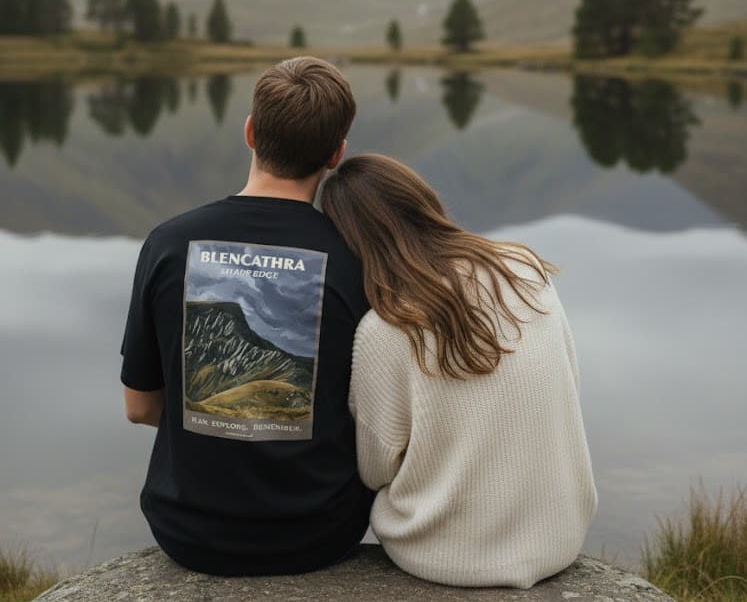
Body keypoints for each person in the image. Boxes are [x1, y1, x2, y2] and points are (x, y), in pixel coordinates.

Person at [120, 57, 373, 576]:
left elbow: (140, 408)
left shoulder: (168, 243)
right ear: (336, 154)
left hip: (186, 534)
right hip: (321, 535)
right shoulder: (358, 259)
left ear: (250, 132)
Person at [320, 154, 597, 589]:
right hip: (559, 540)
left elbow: (375, 470)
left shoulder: (385, 330)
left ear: (352, 242)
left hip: (440, 554)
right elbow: (569, 382)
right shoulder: (524, 270)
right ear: (424, 202)